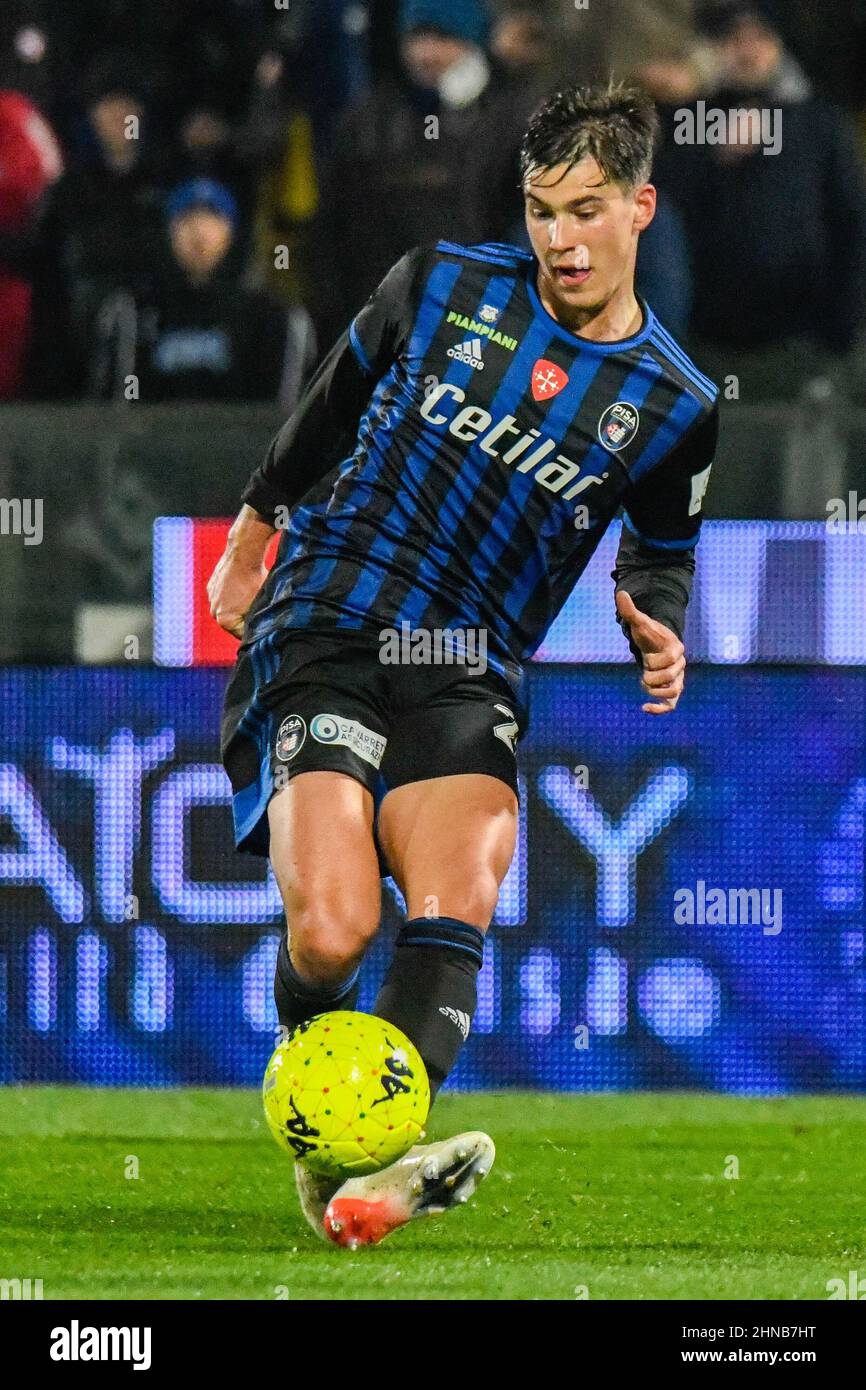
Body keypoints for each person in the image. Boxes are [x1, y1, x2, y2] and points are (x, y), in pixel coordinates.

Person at [209, 82, 719, 1248]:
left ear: (639, 207)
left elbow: (662, 545)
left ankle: (369, 1179)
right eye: (542, 210)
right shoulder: (438, 283)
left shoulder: (675, 400)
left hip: (467, 660)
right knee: (331, 932)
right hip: (331, 616)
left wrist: (655, 614)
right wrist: (254, 523)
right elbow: (328, 404)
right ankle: (319, 1145)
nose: (560, 237)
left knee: (457, 894)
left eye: (585, 209)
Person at [89, 178, 315, 406]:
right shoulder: (132, 312)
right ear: (168, 231)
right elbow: (115, 410)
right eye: (186, 219)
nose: (199, 232)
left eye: (213, 218)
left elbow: (280, 414)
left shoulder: (269, 315)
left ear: (231, 232)